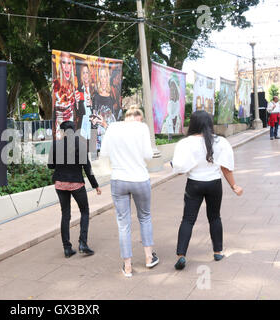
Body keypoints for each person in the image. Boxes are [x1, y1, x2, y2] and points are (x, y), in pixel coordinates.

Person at [171, 110, 243, 270]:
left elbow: (180, 169)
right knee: (215, 217)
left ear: (193, 123)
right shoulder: (220, 142)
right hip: (214, 184)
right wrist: (234, 186)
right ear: (210, 123)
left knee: (188, 220)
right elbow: (226, 167)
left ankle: (181, 255)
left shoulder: (185, 143)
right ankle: (217, 251)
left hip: (194, 184)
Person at [100, 106, 159, 278]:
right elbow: (148, 155)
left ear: (126, 117)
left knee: (123, 224)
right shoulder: (141, 128)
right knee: (145, 217)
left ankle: (127, 267)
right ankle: (149, 258)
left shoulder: (112, 127)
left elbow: (104, 153)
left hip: (118, 179)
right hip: (140, 178)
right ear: (137, 118)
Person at [48, 120, 102, 258]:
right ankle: (83, 243)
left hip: (60, 183)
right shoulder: (80, 145)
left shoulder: (55, 145)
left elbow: (51, 166)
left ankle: (67, 248)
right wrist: (95, 185)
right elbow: (87, 167)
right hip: (76, 183)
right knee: (84, 211)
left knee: (65, 214)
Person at [92, 66, 116, 151]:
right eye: (101, 77)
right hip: (100, 132)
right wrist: (95, 120)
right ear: (99, 79)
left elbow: (113, 116)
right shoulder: (96, 96)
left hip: (110, 130)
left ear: (108, 77)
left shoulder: (112, 95)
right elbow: (93, 116)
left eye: (105, 76)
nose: (103, 79)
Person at [53, 52, 76, 140]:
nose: (66, 66)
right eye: (64, 62)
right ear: (60, 65)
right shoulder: (55, 85)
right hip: (60, 131)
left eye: (69, 63)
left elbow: (74, 112)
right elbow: (52, 112)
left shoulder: (73, 86)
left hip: (71, 131)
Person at [75, 64, 95, 139]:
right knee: (82, 144)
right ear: (81, 75)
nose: (85, 75)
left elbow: (99, 106)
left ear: (89, 74)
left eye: (87, 73)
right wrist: (76, 103)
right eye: (83, 73)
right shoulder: (79, 89)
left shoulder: (94, 89)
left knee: (92, 145)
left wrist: (92, 104)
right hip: (83, 121)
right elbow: (77, 112)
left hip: (92, 122)